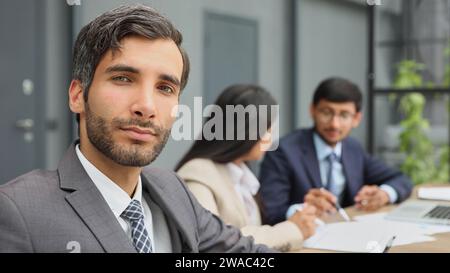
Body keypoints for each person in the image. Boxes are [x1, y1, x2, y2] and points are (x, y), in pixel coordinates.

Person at [0, 5, 272, 253]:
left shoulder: (173, 190)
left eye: (165, 88)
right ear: (78, 95)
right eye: (122, 79)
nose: (146, 106)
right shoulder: (19, 211)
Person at [176, 84, 318, 252]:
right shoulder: (197, 174)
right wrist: (291, 229)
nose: (270, 138)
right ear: (243, 130)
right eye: (266, 129)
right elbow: (215, 242)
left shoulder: (239, 170)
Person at [259, 77, 413, 225]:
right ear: (312, 110)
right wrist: (301, 210)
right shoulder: (283, 152)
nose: (334, 124)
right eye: (326, 113)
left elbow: (401, 179)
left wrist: (385, 194)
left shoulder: (353, 149)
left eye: (344, 115)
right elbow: (271, 213)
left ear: (357, 119)